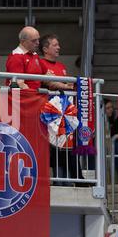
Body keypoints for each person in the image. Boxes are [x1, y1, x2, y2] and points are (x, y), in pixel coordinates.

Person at [39, 34, 84, 186]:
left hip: (64, 115)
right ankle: (59, 182)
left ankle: (71, 180)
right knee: (56, 150)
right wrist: (68, 86)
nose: (59, 47)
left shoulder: (61, 67)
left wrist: (66, 85)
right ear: (45, 48)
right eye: (55, 45)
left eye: (58, 45)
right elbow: (50, 83)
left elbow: (61, 84)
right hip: (49, 116)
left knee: (67, 148)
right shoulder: (40, 63)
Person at [104, 99, 118, 184]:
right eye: (108, 108)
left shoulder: (116, 119)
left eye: (111, 107)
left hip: (111, 144)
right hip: (102, 144)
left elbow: (116, 135)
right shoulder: (98, 120)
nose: (111, 110)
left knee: (117, 144)